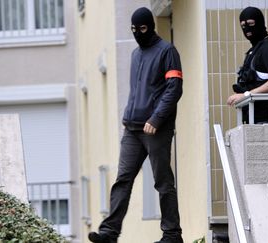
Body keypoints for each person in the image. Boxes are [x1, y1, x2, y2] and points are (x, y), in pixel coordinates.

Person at [88, 7, 183, 243]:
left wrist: (156, 119)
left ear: (151, 26)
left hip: (155, 129)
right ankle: (109, 233)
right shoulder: (135, 55)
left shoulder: (167, 52)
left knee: (162, 182)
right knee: (122, 180)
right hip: (131, 129)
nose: (138, 33)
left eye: (142, 28)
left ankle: (172, 235)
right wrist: (127, 115)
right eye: (134, 29)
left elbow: (174, 89)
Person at [227, 6, 268, 124]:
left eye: (251, 23)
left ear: (260, 23)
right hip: (254, 119)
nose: (247, 29)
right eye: (243, 26)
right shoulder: (255, 50)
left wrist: (246, 95)